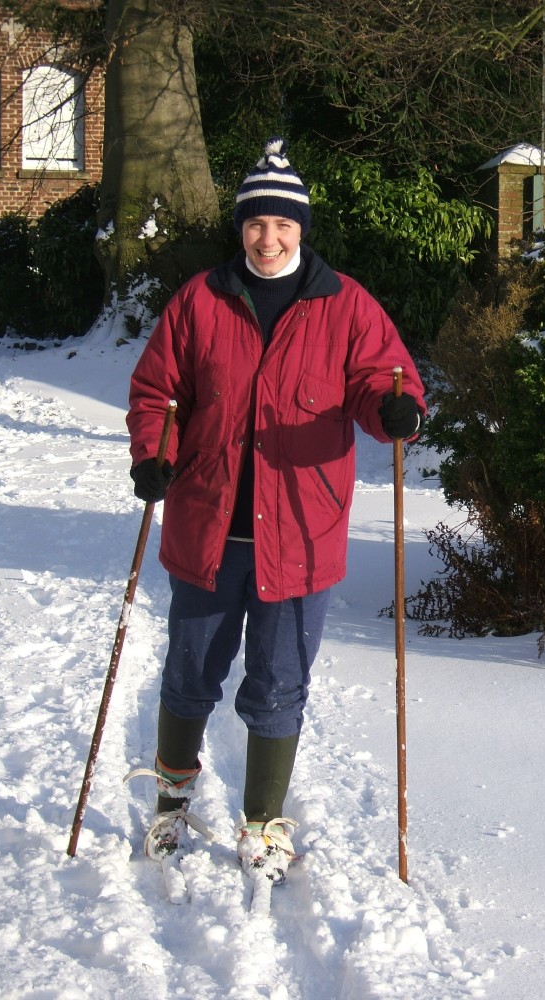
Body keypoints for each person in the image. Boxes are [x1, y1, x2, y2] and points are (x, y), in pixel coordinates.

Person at [126, 137, 426, 884]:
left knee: (279, 682)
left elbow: (384, 376)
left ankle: (262, 823)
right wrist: (154, 450)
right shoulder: (200, 299)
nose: (269, 238)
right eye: (257, 224)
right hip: (209, 527)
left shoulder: (345, 304)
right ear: (241, 227)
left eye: (282, 225)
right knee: (191, 673)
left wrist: (396, 408)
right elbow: (160, 392)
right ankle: (171, 801)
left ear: (302, 228)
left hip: (301, 531)